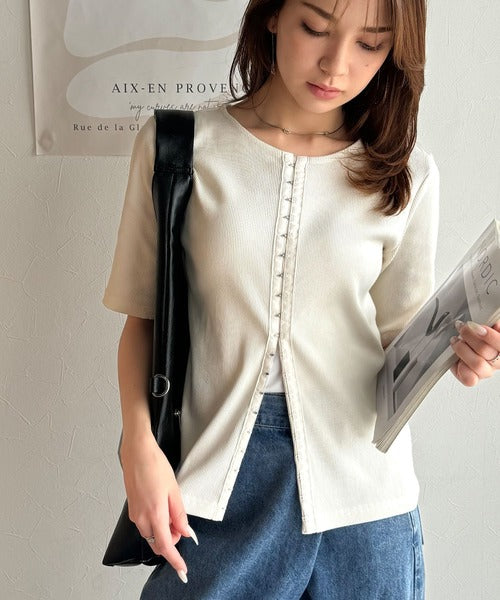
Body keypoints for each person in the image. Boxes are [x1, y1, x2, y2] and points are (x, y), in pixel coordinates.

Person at [102, 0, 500, 597]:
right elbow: (143, 320)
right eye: (315, 28)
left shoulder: (405, 174)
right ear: (272, 15)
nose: (336, 65)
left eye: (370, 43)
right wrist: (138, 448)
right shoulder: (179, 147)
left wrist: (465, 354)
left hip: (367, 500)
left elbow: (400, 341)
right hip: (219, 484)